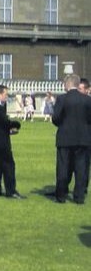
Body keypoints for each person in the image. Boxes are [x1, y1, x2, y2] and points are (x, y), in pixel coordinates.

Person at [51, 73, 91, 205]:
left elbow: (55, 118)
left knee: (63, 167)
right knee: (81, 168)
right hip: (82, 138)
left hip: (65, 137)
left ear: (68, 84)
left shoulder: (62, 99)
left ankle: (61, 195)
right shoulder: (87, 99)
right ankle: (79, 196)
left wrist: (63, 124)